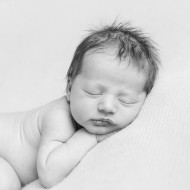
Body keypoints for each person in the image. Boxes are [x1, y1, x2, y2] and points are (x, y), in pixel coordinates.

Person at [0, 22, 159, 189]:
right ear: (69, 87)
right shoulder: (58, 116)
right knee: (6, 180)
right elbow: (49, 174)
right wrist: (91, 137)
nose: (107, 106)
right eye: (93, 92)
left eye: (125, 100)